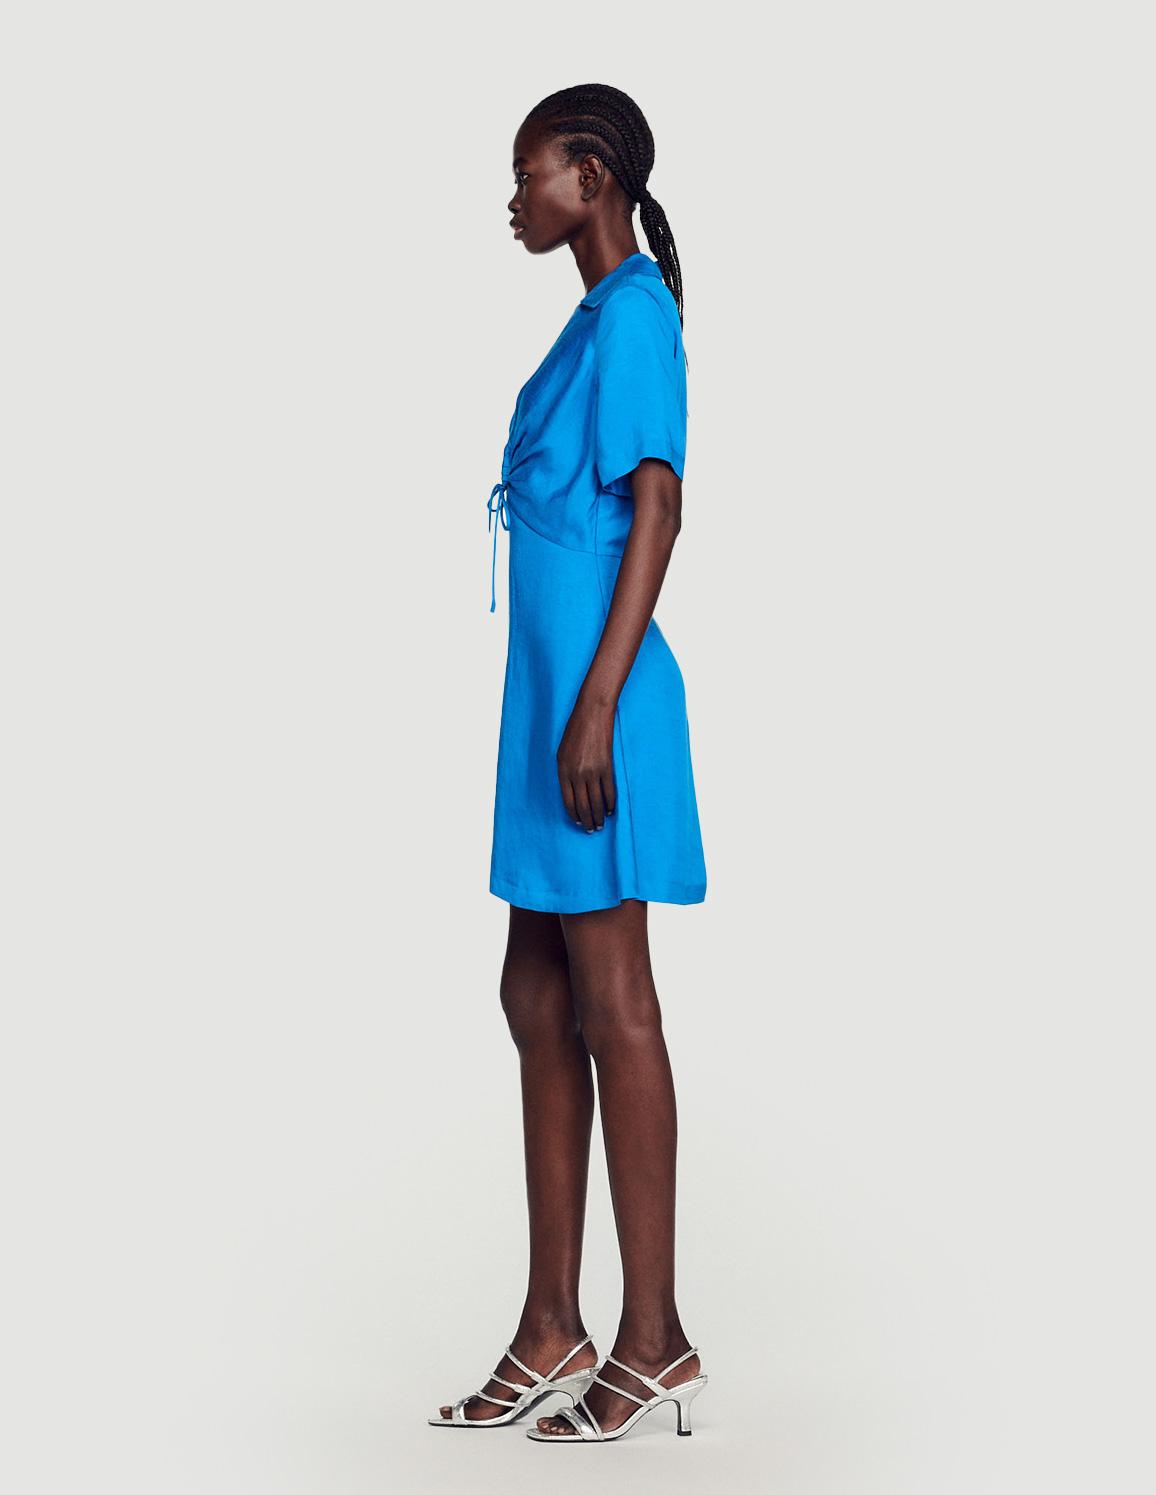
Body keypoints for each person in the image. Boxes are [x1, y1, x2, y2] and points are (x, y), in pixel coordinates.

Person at [429, 83, 709, 1444]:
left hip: (596, 713)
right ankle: (554, 1322)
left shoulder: (637, 314)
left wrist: (595, 706)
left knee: (613, 1000)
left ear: (590, 175)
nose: (514, 196)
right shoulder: (594, 316)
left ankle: (654, 1340)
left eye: (527, 171)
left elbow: (658, 508)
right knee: (536, 992)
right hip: (547, 710)